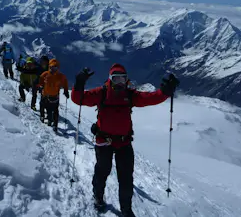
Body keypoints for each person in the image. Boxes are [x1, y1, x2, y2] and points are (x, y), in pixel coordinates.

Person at [71, 63, 179, 217]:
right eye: (116, 79)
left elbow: (150, 98)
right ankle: (98, 197)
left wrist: (165, 92)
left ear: (127, 80)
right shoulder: (101, 93)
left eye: (123, 79)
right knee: (102, 172)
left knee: (126, 179)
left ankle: (126, 209)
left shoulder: (129, 95)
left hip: (123, 143)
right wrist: (79, 83)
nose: (120, 82)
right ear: (110, 79)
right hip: (105, 141)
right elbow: (78, 99)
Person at [38, 58, 69, 131]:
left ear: (57, 68)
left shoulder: (58, 76)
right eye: (51, 67)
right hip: (49, 95)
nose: (53, 69)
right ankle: (47, 119)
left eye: (54, 67)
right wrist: (40, 86)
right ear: (49, 67)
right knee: (48, 108)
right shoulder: (47, 74)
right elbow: (40, 81)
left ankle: (53, 123)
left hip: (50, 96)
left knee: (52, 109)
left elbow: (65, 83)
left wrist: (66, 91)